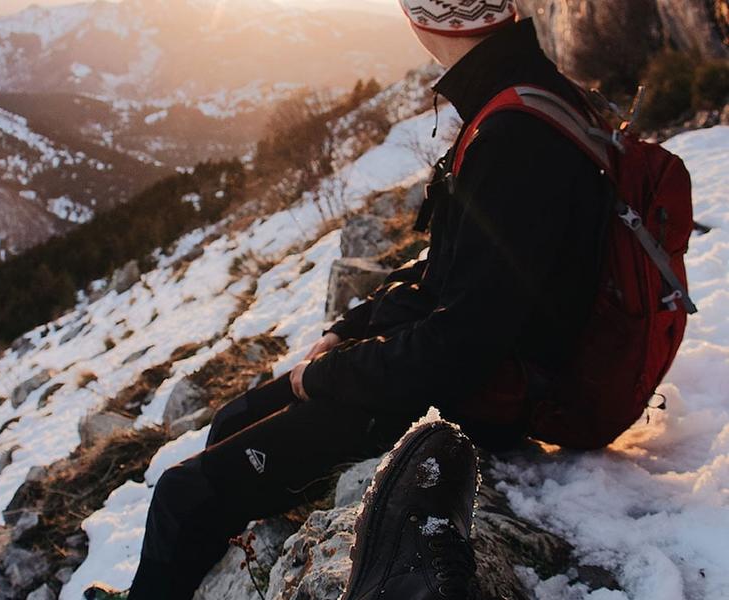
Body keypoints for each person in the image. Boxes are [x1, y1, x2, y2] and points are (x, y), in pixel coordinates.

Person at [86, 0, 610, 597]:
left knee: (180, 497)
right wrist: (352, 327)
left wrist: (328, 375)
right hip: (490, 360)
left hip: (486, 393)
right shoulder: (526, 96)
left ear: (424, 21)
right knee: (234, 420)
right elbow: (460, 274)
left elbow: (458, 345)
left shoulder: (512, 137)